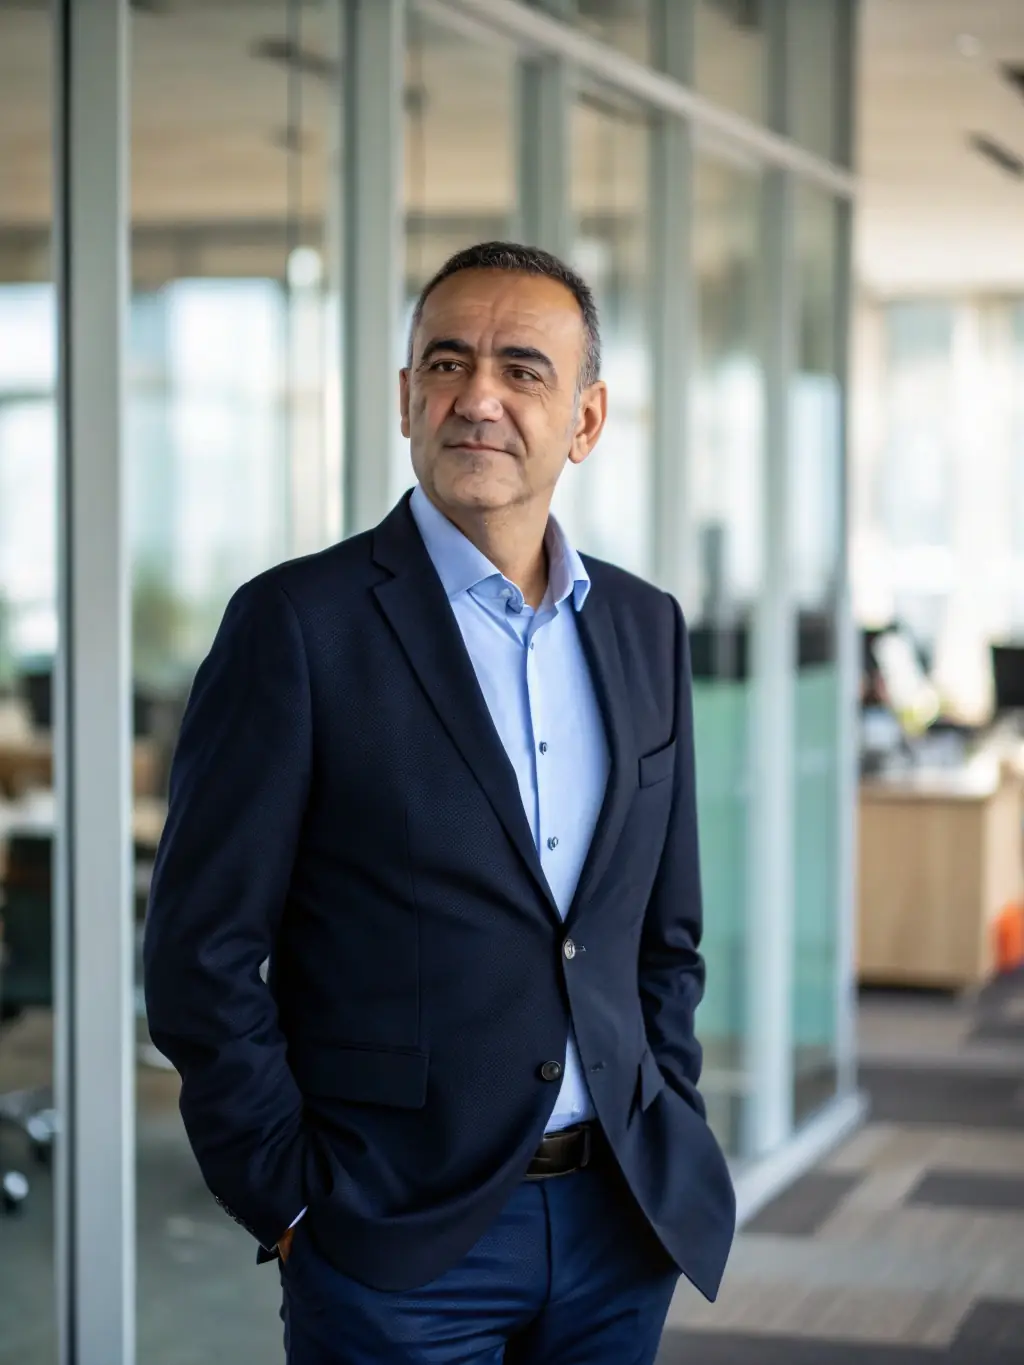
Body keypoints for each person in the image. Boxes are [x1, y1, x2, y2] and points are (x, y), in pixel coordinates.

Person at [143, 241, 736, 1364]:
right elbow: (199, 951)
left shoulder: (644, 629)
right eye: (448, 363)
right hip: (393, 1239)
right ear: (406, 396)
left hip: (620, 1221)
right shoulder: (297, 626)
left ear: (587, 419)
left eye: (523, 369)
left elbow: (661, 934)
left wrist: (672, 1116)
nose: (479, 397)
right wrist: (286, 1197)